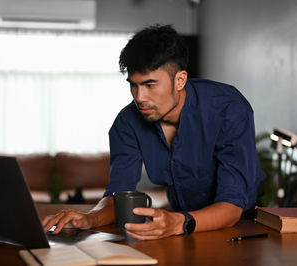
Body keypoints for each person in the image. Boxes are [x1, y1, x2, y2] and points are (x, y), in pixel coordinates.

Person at [42, 24, 264, 240]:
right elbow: (117, 196)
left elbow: (232, 207)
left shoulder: (229, 108)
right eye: (134, 85)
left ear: (180, 80)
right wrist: (88, 219)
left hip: (241, 229)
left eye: (150, 85)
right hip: (180, 229)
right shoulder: (127, 123)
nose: (139, 97)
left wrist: (178, 222)